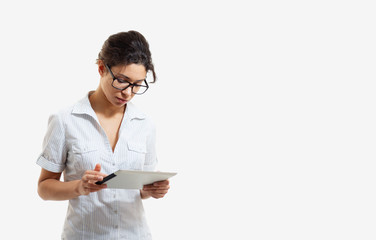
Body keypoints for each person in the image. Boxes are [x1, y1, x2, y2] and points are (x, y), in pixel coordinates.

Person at [36, 30, 170, 240]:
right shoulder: (65, 120)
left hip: (135, 234)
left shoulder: (146, 124)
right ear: (101, 68)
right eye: (122, 80)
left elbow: (138, 190)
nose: (128, 92)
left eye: (137, 85)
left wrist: (152, 190)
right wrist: (79, 187)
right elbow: (44, 188)